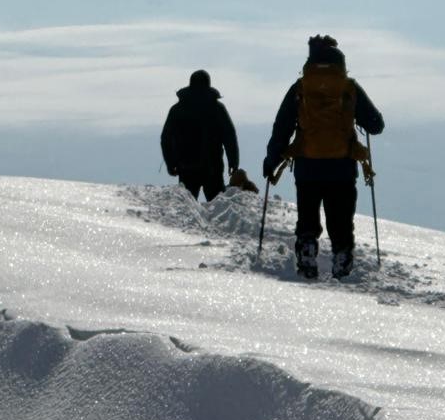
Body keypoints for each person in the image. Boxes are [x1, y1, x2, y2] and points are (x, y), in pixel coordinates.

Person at [263, 35, 384, 279]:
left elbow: (282, 126)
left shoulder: (301, 87)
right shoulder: (349, 87)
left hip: (308, 166)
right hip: (342, 166)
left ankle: (307, 253)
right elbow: (376, 124)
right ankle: (342, 258)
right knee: (340, 219)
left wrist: (272, 159)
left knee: (308, 217)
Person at [161, 69, 240, 201]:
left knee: (187, 211)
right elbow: (229, 136)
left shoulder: (178, 109)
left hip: (187, 167)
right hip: (212, 167)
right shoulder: (217, 108)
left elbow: (166, 138)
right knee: (219, 210)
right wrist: (233, 161)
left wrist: (171, 163)